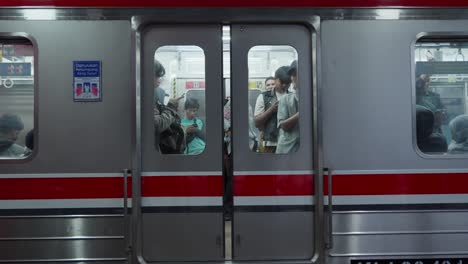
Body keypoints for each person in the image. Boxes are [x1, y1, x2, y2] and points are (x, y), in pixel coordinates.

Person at [254, 66, 291, 153]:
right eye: (282, 82)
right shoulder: (263, 97)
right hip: (270, 144)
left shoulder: (293, 97)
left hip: (289, 143)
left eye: (287, 83)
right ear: (276, 80)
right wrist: (271, 110)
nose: (284, 85)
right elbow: (256, 122)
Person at [153, 60, 185, 154]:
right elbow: (157, 124)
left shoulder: (155, 93)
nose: (159, 79)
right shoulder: (145, 97)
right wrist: (171, 108)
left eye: (160, 76)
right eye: (157, 75)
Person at [276, 60, 300, 154]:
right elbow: (283, 126)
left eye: (295, 74)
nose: (293, 78)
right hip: (288, 150)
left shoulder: (315, 99)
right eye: (292, 75)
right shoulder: (286, 99)